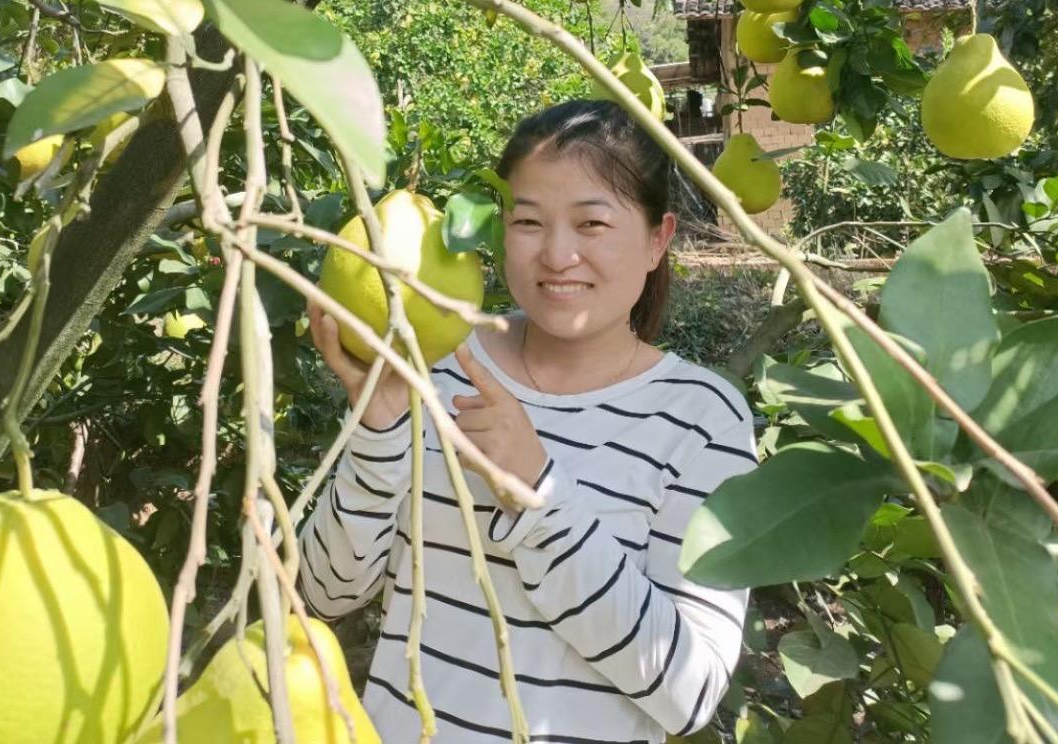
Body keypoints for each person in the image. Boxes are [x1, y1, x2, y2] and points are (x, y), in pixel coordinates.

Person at [298, 99, 756, 743]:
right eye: (529, 222)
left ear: (658, 238)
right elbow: (324, 593)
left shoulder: (699, 419)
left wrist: (539, 496)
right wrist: (378, 430)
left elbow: (690, 691)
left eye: (592, 223)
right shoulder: (436, 367)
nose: (557, 255)